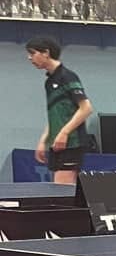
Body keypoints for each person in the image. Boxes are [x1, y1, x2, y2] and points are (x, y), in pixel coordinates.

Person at [28, 37, 91, 187]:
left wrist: (64, 133)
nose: (29, 58)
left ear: (46, 53)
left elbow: (86, 108)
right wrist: (43, 141)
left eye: (32, 53)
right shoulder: (50, 81)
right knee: (60, 189)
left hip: (72, 142)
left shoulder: (67, 77)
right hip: (58, 144)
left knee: (62, 190)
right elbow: (56, 115)